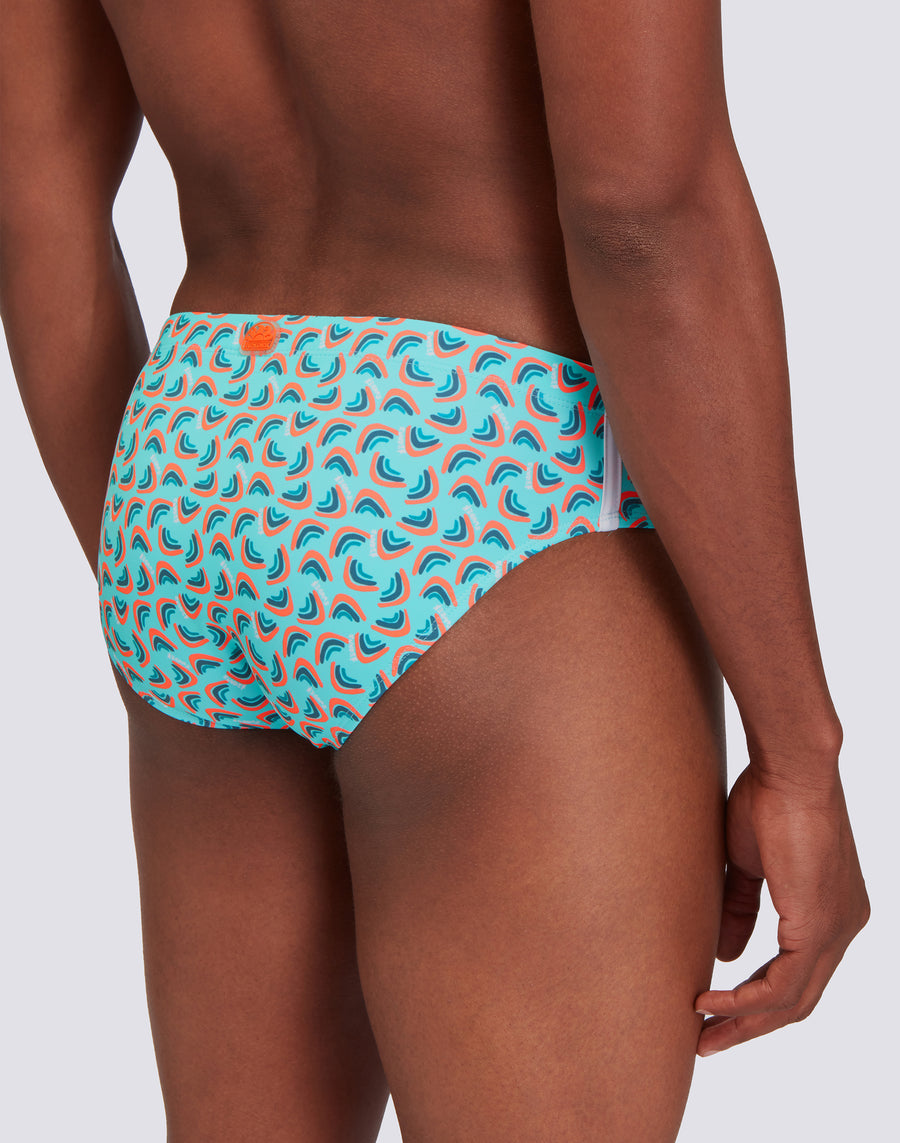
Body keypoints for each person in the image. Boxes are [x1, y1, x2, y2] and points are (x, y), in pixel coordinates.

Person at [0, 1, 870, 1140]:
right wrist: (798, 752)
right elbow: (641, 214)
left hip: (195, 444)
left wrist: (152, 579)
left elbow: (35, 205)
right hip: (484, 456)